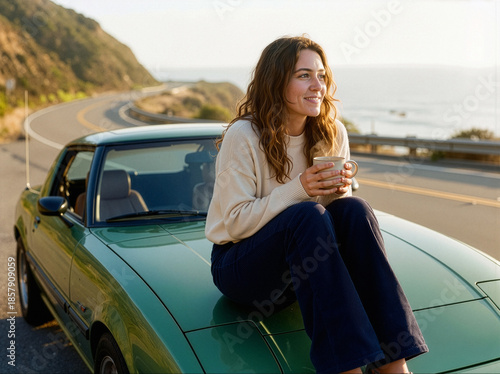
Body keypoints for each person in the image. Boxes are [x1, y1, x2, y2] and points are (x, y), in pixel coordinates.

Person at [206, 35, 428, 374]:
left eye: (321, 76)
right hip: (240, 266)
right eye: (304, 75)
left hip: (302, 265)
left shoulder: (331, 131)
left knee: (356, 210)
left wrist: (339, 191)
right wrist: (300, 188)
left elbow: (334, 219)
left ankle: (393, 366)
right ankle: (346, 369)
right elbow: (234, 223)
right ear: (276, 80)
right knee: (306, 213)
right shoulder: (244, 136)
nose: (317, 85)